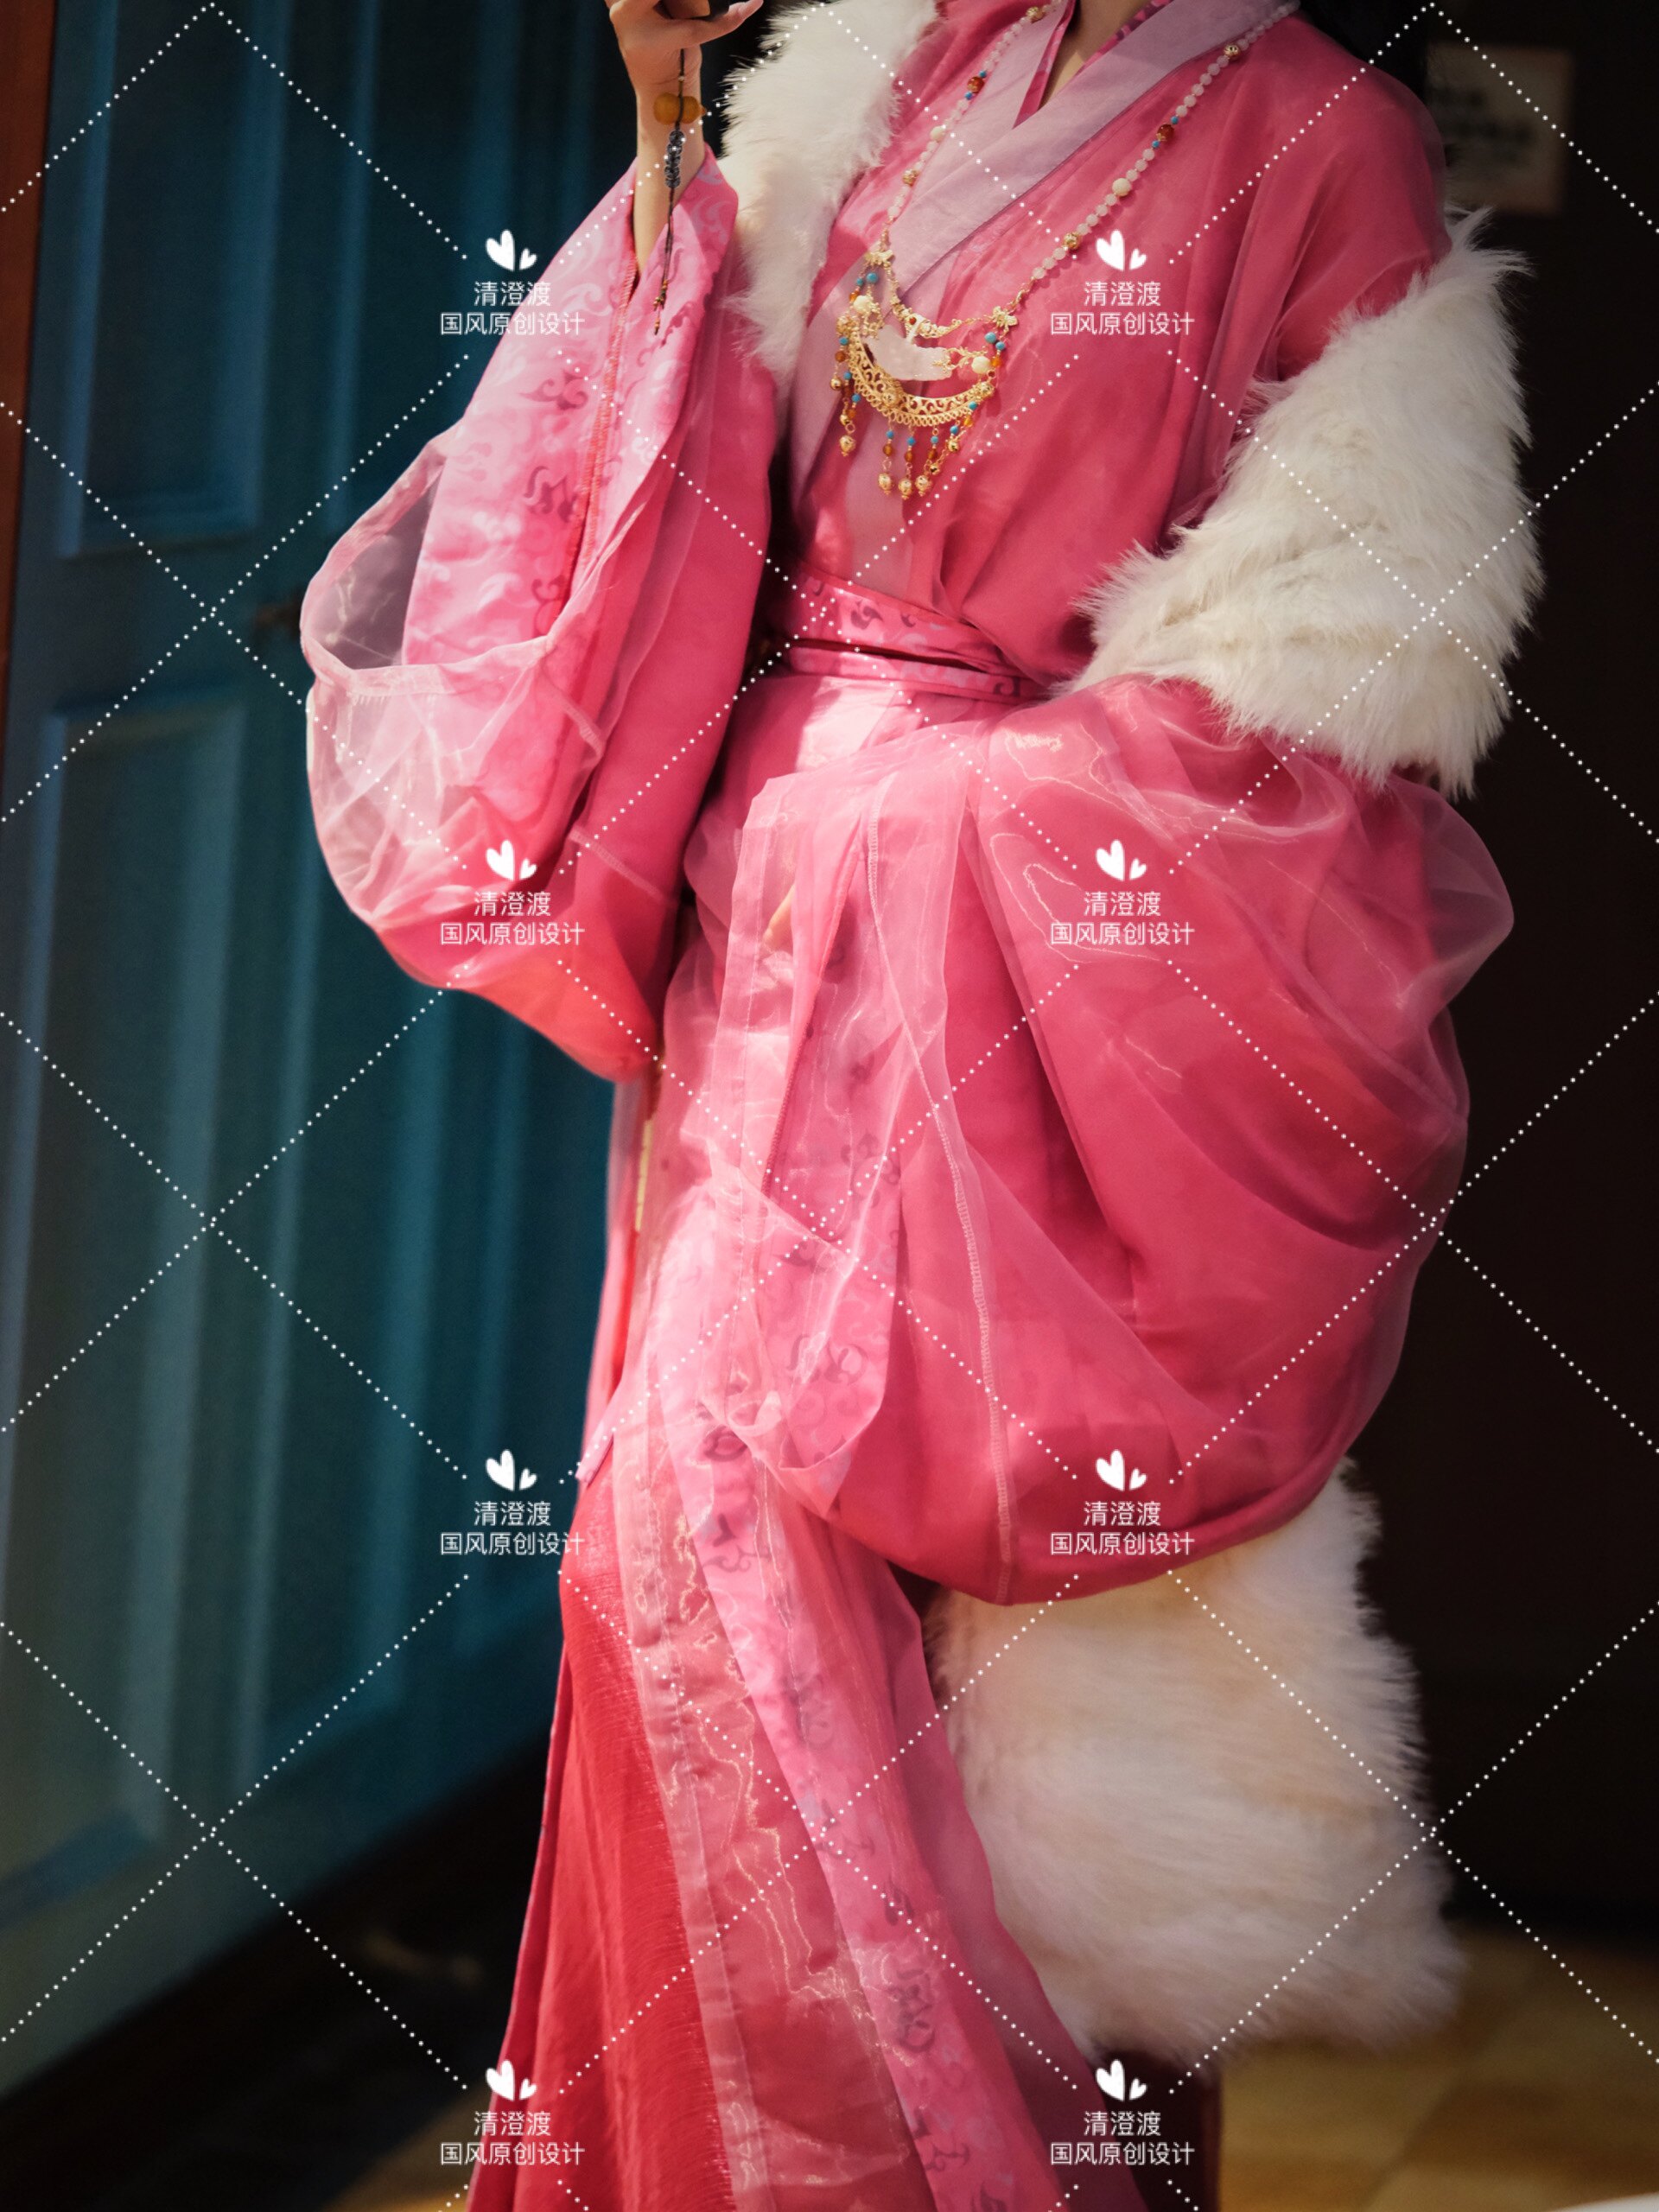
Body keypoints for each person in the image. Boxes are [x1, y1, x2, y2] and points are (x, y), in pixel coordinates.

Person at [301, 1, 1538, 2203]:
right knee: (672, 1584)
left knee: (942, 1709)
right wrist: (669, 122)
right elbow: (650, 492)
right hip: (755, 981)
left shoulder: (1317, 136)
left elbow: (1325, 708)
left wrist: (920, 816)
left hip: (1030, 1021)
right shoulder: (877, 65)